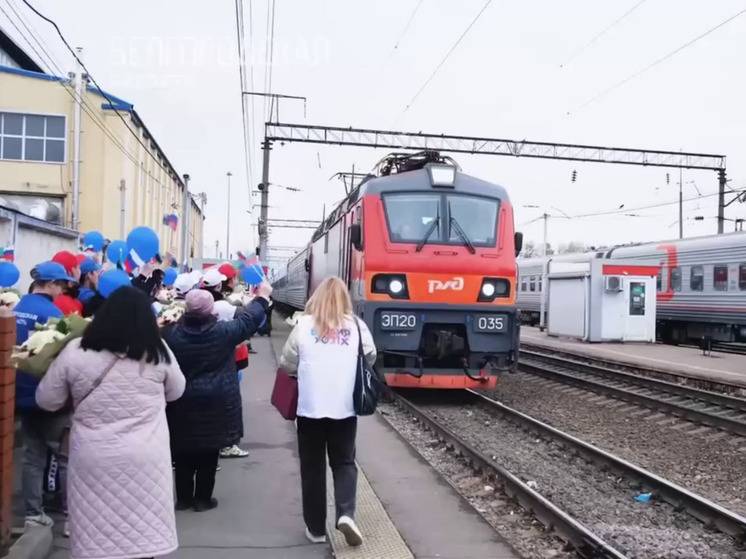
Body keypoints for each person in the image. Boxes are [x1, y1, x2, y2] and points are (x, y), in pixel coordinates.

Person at [36, 287, 186, 559]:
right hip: (147, 459)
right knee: (142, 538)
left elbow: (47, 400)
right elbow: (177, 391)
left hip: (93, 457)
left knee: (98, 539)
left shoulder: (75, 350)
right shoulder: (157, 351)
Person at [279, 276, 376, 547]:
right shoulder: (357, 325)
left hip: (309, 409)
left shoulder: (304, 325)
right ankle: (345, 514)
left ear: (317, 298)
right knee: (344, 462)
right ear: (345, 299)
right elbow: (370, 356)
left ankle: (316, 529)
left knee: (312, 467)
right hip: (345, 409)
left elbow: (287, 363)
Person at [163, 283, 271, 511]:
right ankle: (203, 499)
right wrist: (261, 298)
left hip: (180, 399)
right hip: (216, 401)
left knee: (182, 450)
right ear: (211, 310)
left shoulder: (171, 334)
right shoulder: (222, 333)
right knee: (209, 451)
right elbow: (248, 320)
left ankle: (183, 499)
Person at [14, 261, 73, 530]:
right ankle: (69, 512)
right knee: (62, 457)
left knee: (31, 456)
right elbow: (63, 357)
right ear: (49, 284)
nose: (62, 289)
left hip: (18, 393)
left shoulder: (14, 308)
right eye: (60, 284)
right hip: (48, 394)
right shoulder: (53, 315)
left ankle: (32, 513)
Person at [51, 251, 83, 316]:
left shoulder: (48, 297)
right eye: (78, 268)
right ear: (72, 271)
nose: (80, 272)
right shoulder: (69, 306)